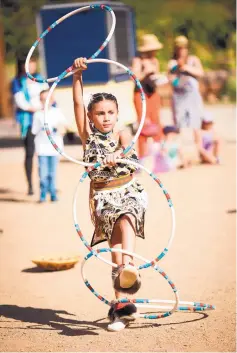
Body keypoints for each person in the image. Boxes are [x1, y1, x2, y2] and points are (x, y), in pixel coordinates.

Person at [72, 57, 148, 332]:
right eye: (100, 113)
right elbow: (78, 104)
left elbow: (134, 163)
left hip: (128, 192)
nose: (105, 117)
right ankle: (121, 306)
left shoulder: (124, 135)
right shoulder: (87, 137)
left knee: (126, 218)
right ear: (92, 117)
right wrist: (77, 75)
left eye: (110, 113)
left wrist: (119, 156)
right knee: (117, 253)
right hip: (103, 198)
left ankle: (127, 281)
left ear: (117, 114)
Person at [11, 56, 49, 195]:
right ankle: (30, 185)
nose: (31, 67)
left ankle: (46, 185)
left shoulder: (40, 79)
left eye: (33, 64)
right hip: (28, 121)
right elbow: (19, 101)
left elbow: (48, 96)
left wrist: (43, 109)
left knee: (45, 152)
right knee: (29, 153)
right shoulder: (17, 81)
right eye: (28, 65)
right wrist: (33, 108)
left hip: (41, 119)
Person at [131, 34, 163, 164]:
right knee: (143, 123)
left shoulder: (155, 60)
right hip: (141, 93)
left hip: (153, 93)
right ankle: (142, 157)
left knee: (156, 122)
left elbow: (157, 78)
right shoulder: (137, 60)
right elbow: (134, 77)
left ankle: (158, 155)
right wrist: (146, 72)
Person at [168, 36, 205, 144]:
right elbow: (170, 78)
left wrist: (185, 67)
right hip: (179, 96)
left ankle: (199, 149)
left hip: (193, 96)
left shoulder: (193, 60)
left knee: (196, 123)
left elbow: (200, 73)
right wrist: (177, 69)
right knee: (180, 124)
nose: (181, 50)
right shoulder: (172, 63)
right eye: (179, 48)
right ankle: (181, 152)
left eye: (183, 48)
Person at [31, 90, 66, 202]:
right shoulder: (38, 114)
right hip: (42, 148)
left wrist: (59, 129)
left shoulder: (57, 112)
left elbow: (64, 127)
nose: (45, 102)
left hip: (54, 148)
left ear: (52, 100)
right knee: (43, 172)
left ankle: (52, 193)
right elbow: (34, 130)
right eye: (43, 99)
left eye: (48, 99)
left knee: (52, 172)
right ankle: (43, 193)